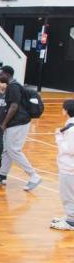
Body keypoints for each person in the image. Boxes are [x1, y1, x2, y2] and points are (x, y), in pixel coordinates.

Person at [0, 66, 41, 190]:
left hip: (18, 122)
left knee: (13, 150)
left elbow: (14, 106)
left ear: (7, 74)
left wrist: (4, 123)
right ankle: (2, 176)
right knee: (6, 149)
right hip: (14, 123)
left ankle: (33, 175)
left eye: (1, 73)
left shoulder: (13, 86)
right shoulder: (12, 85)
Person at [51, 99, 74, 231]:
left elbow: (70, 149)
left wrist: (58, 137)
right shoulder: (70, 126)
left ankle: (71, 221)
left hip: (69, 168)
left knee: (68, 195)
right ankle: (70, 216)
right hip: (69, 166)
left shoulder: (71, 130)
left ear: (66, 110)